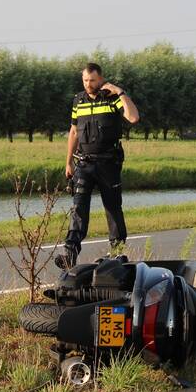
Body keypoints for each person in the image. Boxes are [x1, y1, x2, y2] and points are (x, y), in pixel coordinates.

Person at [56, 62, 139, 269]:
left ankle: (117, 253)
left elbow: (133, 117)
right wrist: (68, 162)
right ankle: (70, 254)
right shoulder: (78, 100)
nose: (88, 84)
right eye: (85, 80)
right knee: (78, 207)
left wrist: (120, 92)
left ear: (100, 79)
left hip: (108, 164)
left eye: (92, 80)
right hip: (83, 164)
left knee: (112, 207)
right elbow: (74, 132)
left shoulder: (112, 98)